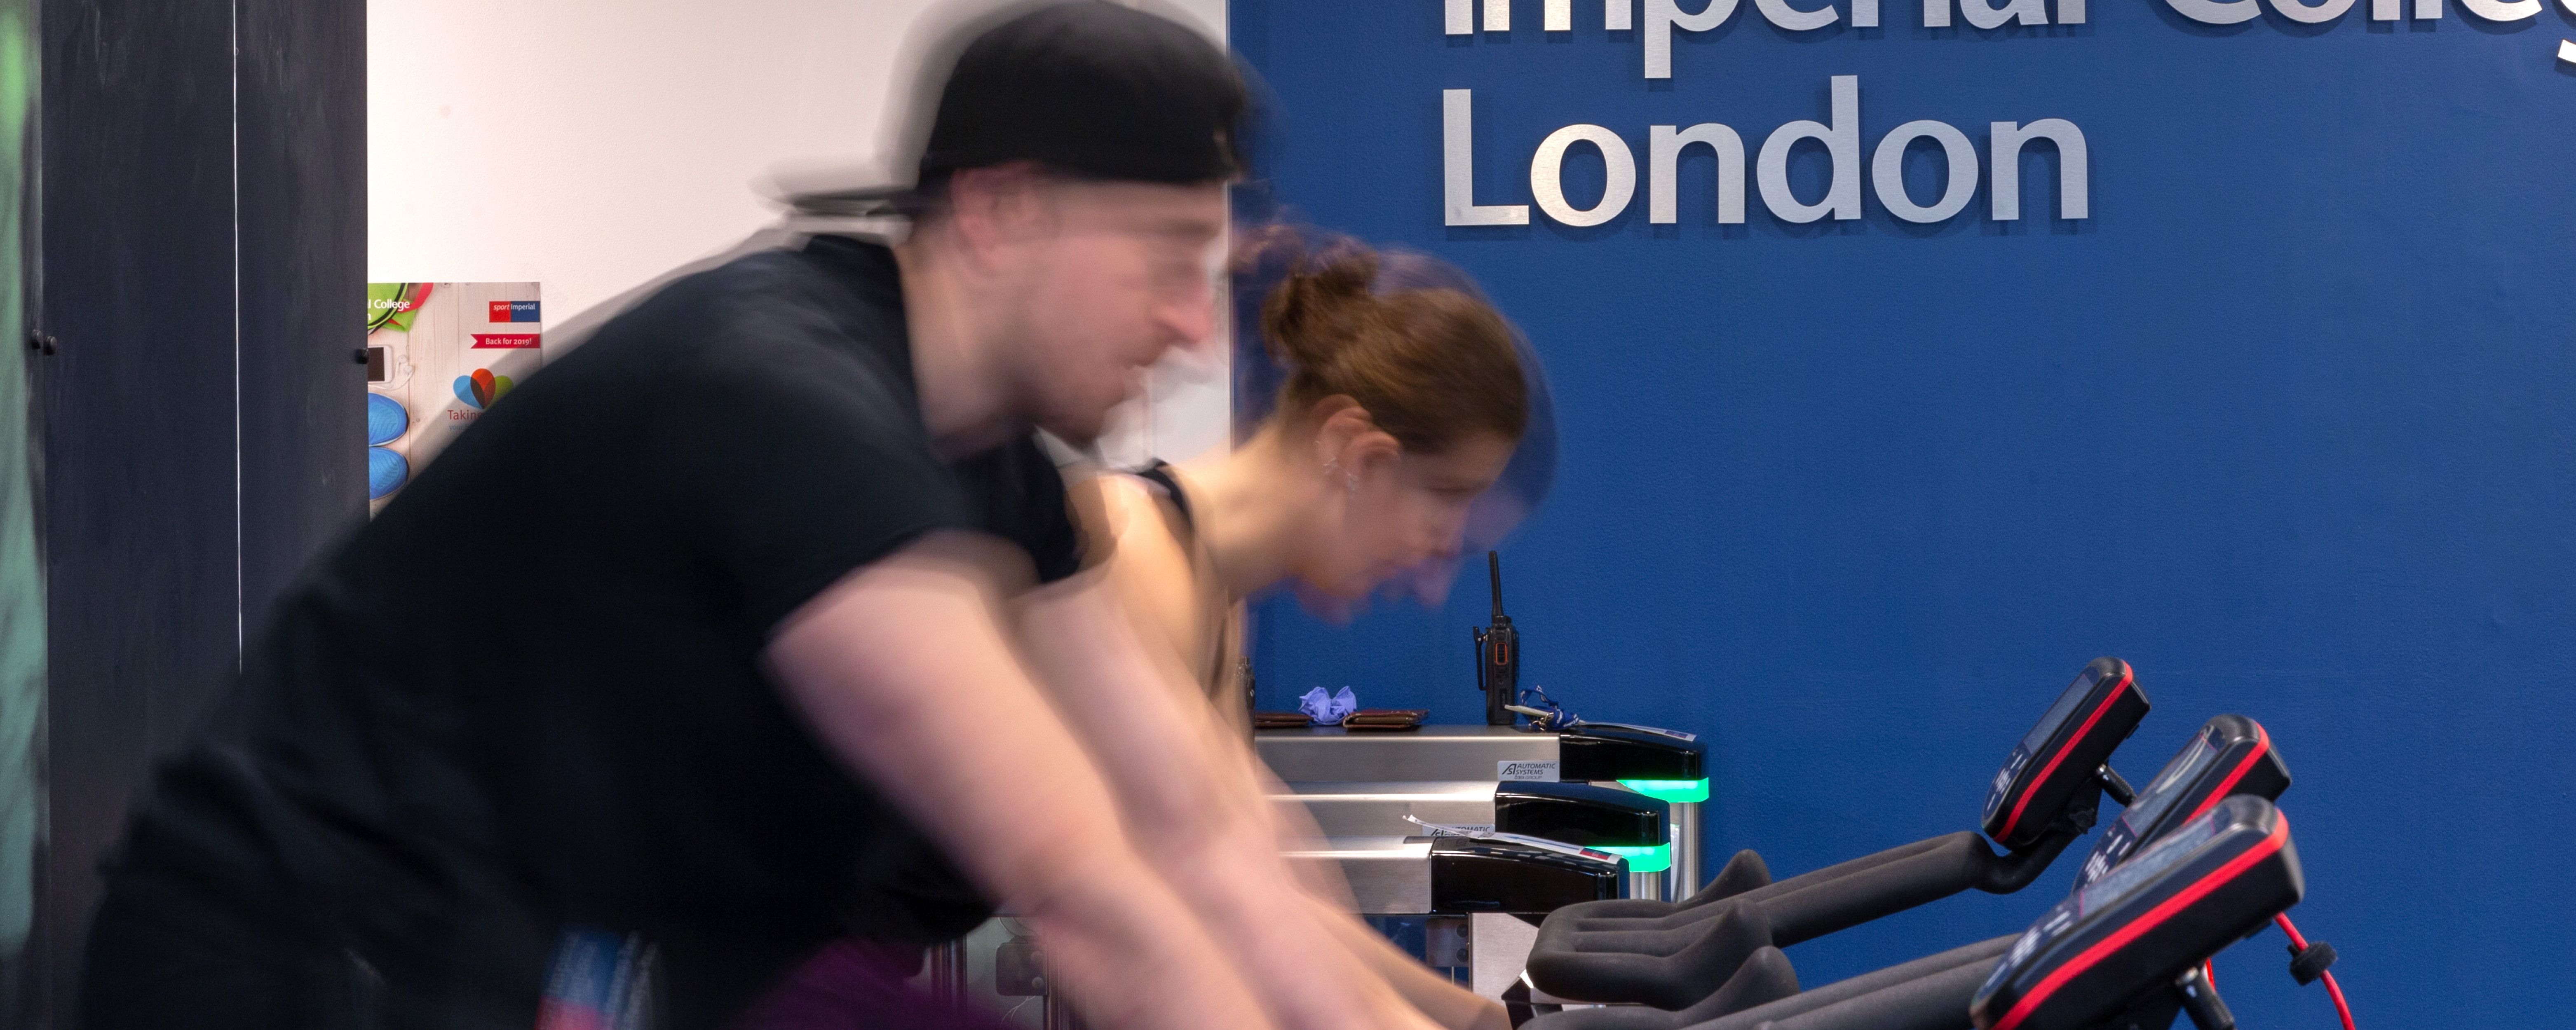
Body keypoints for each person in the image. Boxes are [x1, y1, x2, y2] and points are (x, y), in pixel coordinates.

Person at [77, 6, 1445, 1030]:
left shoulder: (999, 473)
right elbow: (1087, 889)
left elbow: (1200, 836)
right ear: (1000, 212)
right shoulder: (785, 402)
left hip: (519, 959)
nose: (1186, 330)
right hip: (295, 963)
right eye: (1161, 262)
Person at [1065, 233, 1535, 1030]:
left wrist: (1482, 1021)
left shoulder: (1211, 590)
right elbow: (1208, 914)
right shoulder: (1134, 556)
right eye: (1445, 497)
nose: (1437, 560)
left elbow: (1277, 894)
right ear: (1354, 450)